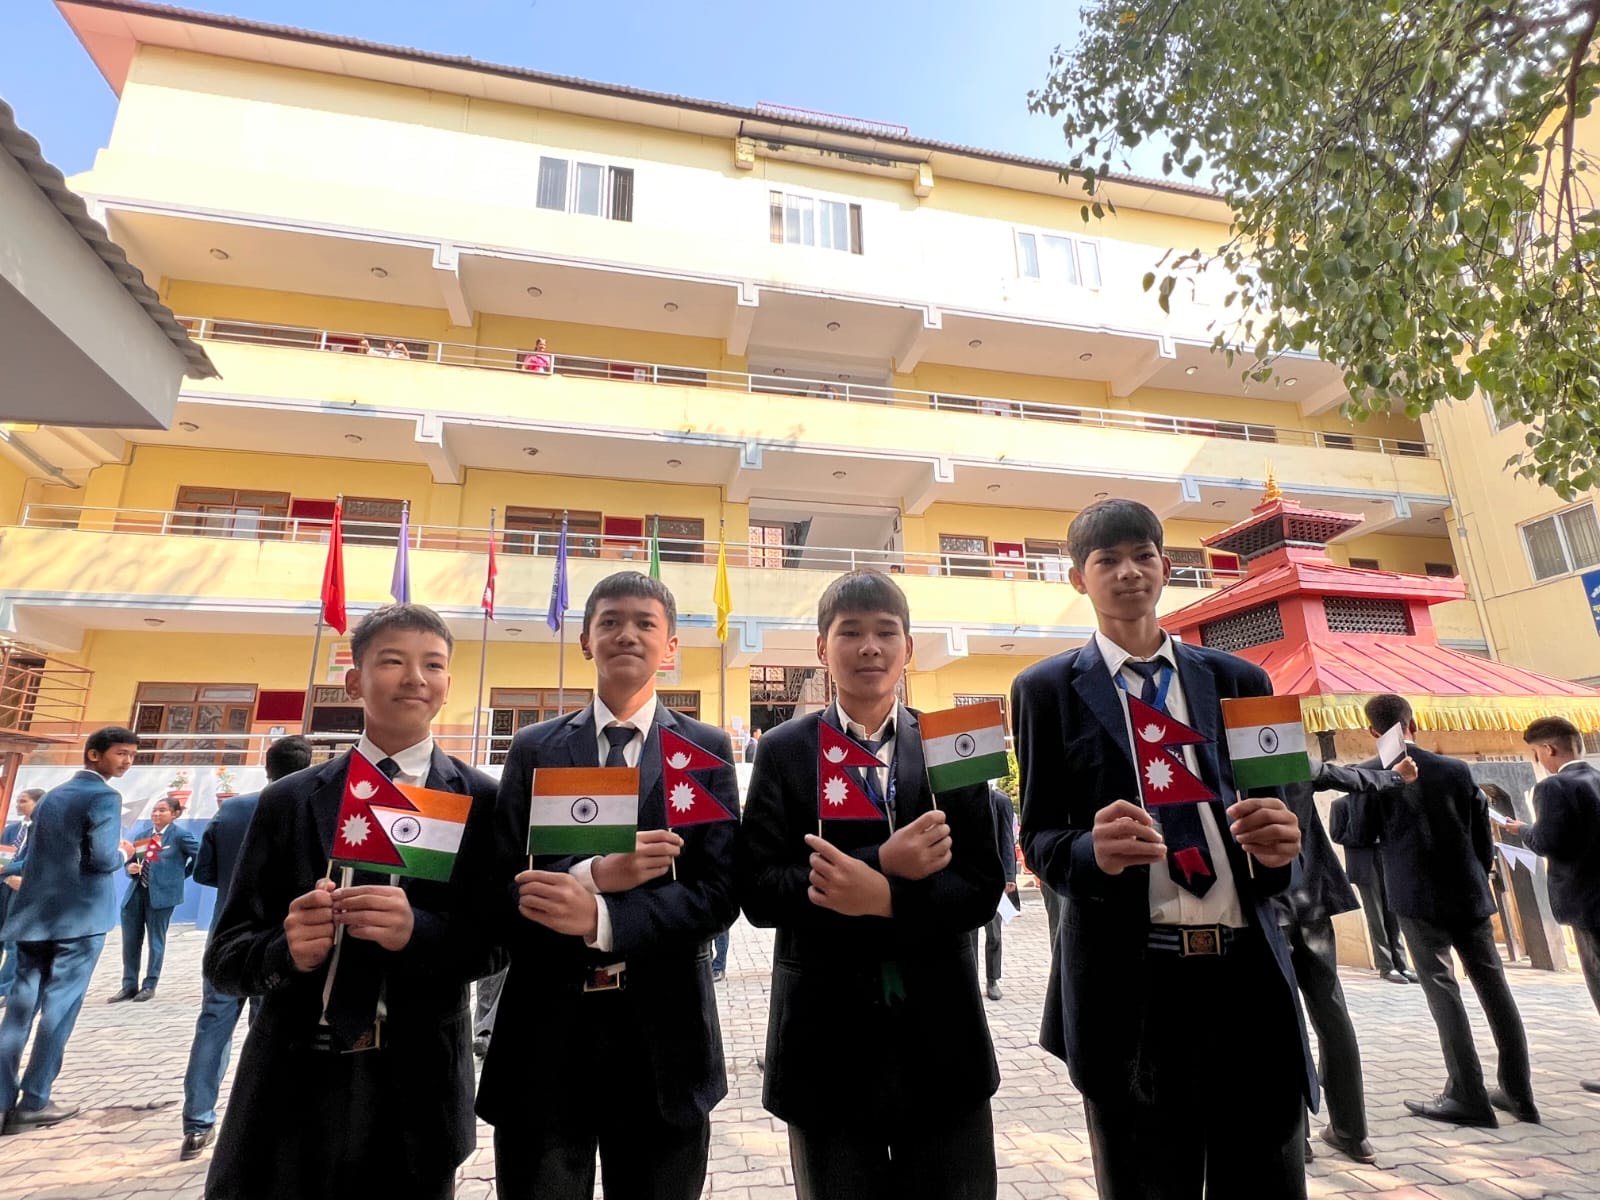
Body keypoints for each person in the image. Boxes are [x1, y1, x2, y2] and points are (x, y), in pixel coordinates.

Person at [1012, 498, 1310, 1199]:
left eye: (1142, 556)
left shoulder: (1241, 681)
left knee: (1266, 1179)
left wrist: (1279, 852)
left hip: (1246, 983)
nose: (1127, 573)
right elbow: (1039, 837)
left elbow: (1287, 822)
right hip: (1131, 988)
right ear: (1077, 579)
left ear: (1166, 567)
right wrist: (1091, 850)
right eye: (1106, 560)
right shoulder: (1045, 690)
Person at [203, 605, 500, 1199]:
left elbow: (494, 944)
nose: (414, 677)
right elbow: (226, 958)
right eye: (392, 660)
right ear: (354, 680)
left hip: (417, 1085)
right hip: (291, 1080)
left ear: (447, 684)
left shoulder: (480, 801)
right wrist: (286, 949)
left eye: (433, 665)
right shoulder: (288, 801)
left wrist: (418, 931)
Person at [738, 569, 1004, 1200]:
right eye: (849, 633)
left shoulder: (951, 747)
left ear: (909, 648)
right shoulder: (783, 748)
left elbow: (982, 885)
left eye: (887, 633)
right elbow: (757, 889)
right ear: (821, 649)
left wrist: (884, 897)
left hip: (942, 1035)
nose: (869, 648)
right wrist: (878, 862)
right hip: (824, 1038)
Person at [475, 571, 739, 1200]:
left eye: (646, 623)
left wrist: (604, 919)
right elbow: (498, 883)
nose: (627, 634)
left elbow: (719, 891)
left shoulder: (702, 750)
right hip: (545, 1037)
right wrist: (589, 876)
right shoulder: (535, 748)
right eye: (610, 621)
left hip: (665, 1041)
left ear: (671, 646)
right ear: (587, 641)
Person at [1349, 693, 1537, 1128]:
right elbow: (1481, 836)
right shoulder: (1456, 769)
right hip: (1468, 892)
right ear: (1412, 724)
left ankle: (1467, 1093)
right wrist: (1479, 872)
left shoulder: (1372, 774)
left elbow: (1359, 834)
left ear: (1373, 732)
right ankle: (1519, 1092)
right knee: (1495, 989)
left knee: (1443, 990)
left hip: (1416, 897)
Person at [178, 734, 313, 1161]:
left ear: (266, 766)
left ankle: (198, 1122)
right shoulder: (307, 808)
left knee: (212, 1027)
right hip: (282, 943)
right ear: (309, 765)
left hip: (228, 939)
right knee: (269, 1031)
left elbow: (203, 873)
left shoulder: (231, 809)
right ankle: (262, 1120)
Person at [0, 727, 140, 1133]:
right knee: (59, 1009)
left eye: (132, 755)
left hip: (34, 916)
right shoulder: (104, 796)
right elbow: (100, 859)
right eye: (120, 753)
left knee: (19, 1012)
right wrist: (122, 851)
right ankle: (36, 1100)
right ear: (94, 755)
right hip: (79, 919)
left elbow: (33, 856)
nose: (127, 761)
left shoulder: (53, 796)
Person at [1288, 757, 1416, 1166]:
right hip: (1311, 900)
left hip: (1262, 906)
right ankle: (1352, 1130)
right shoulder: (1286, 754)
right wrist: (1397, 775)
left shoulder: (1220, 755)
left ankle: (1295, 1137)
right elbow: (1348, 776)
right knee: (1331, 1010)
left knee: (1280, 1013)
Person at [1508, 716, 1600, 1094]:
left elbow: (1549, 841)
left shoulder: (1554, 786)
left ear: (1549, 749)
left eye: (1536, 753)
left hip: (1586, 899)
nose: (1538, 760)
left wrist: (1521, 831)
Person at [109, 797, 199, 1004]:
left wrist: (179, 876)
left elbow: (199, 856)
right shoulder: (143, 836)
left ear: (175, 814)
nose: (156, 814)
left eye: (162, 810)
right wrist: (131, 870)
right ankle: (128, 985)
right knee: (131, 942)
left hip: (162, 897)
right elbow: (135, 863)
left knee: (155, 941)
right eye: (154, 810)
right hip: (137, 894)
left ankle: (150, 984)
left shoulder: (180, 836)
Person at [1328, 792, 1415, 984]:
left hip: (1387, 861)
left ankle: (1402, 964)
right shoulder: (1340, 804)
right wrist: (1362, 836)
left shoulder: (1378, 802)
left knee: (1394, 915)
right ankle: (1386, 966)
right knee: (1376, 917)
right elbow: (1336, 834)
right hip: (1365, 864)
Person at [967, 784, 1016, 1001]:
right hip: (968, 878)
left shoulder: (1000, 801)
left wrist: (1009, 875)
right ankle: (971, 979)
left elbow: (1006, 838)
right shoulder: (962, 797)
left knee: (994, 934)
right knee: (970, 934)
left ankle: (993, 979)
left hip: (994, 880)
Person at [0, 789, 43, 1006]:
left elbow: (35, 861)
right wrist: (5, 874)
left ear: (38, 803)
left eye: (23, 801)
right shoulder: (11, 830)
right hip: (3, 886)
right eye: (17, 800)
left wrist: (9, 872)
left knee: (13, 941)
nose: (18, 805)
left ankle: (7, 989)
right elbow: (3, 855)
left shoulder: (44, 831)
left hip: (23, 890)